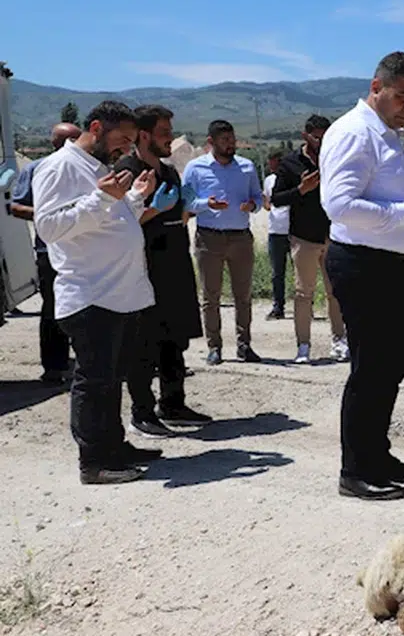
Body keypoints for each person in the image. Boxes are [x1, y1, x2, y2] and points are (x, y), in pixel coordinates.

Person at [320, 51, 404, 500]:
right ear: (377, 87)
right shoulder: (355, 133)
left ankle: (377, 454)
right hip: (362, 263)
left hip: (389, 265)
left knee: (390, 367)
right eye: (402, 96)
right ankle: (355, 469)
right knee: (371, 368)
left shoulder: (388, 134)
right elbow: (338, 205)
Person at [31, 101, 163, 484]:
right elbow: (49, 227)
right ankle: (94, 461)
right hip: (91, 295)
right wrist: (103, 198)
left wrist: (134, 199)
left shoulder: (100, 168)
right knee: (94, 381)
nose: (125, 148)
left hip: (119, 295)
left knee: (111, 379)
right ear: (95, 127)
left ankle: (115, 446)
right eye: (121, 139)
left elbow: (107, 224)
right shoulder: (59, 167)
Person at [117, 105, 212, 436]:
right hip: (144, 269)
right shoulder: (128, 170)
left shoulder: (170, 171)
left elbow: (179, 216)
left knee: (176, 339)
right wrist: (154, 210)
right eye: (164, 132)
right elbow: (118, 224)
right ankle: (142, 411)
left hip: (175, 264)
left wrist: (188, 208)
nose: (170, 138)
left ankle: (173, 403)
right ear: (144, 136)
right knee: (144, 344)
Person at [182, 120, 263, 365]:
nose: (230, 145)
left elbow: (258, 198)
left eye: (232, 140)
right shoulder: (195, 168)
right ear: (211, 142)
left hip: (240, 237)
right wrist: (208, 204)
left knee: (243, 295)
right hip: (209, 237)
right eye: (225, 140)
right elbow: (186, 203)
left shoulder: (247, 167)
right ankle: (214, 346)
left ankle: (244, 345)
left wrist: (253, 205)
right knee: (211, 295)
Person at [271, 115, 348, 365]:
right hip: (304, 237)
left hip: (334, 235)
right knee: (304, 294)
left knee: (335, 292)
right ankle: (303, 345)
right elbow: (277, 198)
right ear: (305, 135)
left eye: (326, 135)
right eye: (317, 136)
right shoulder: (290, 163)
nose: (322, 140)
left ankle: (339, 340)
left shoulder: (334, 158)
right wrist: (301, 190)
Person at [8, 122, 81, 383]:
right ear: (54, 143)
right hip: (49, 250)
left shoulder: (88, 169)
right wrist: (54, 217)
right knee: (53, 308)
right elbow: (16, 207)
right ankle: (54, 366)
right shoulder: (36, 169)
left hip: (85, 250)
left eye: (76, 139)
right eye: (66, 140)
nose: (71, 145)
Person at [262, 151, 289, 321]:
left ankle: (306, 306)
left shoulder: (291, 178)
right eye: (271, 162)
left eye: (275, 162)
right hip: (275, 230)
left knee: (300, 273)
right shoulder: (269, 180)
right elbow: (266, 202)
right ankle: (278, 307)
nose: (272, 166)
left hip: (293, 230)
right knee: (277, 272)